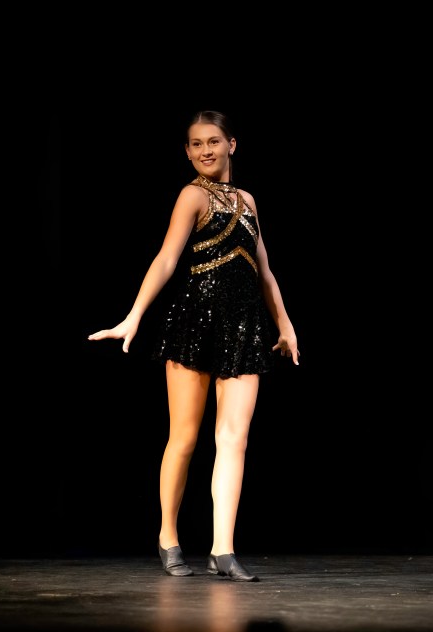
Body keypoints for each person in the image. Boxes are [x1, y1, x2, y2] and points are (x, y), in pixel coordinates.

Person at [88, 110, 299, 582]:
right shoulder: (192, 195)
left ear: (231, 144)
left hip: (242, 327)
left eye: (213, 141)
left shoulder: (247, 200)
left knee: (234, 438)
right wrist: (134, 315)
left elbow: (264, 271)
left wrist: (285, 325)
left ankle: (223, 549)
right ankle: (168, 536)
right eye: (196, 143)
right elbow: (167, 258)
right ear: (187, 151)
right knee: (183, 437)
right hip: (194, 324)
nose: (206, 150)